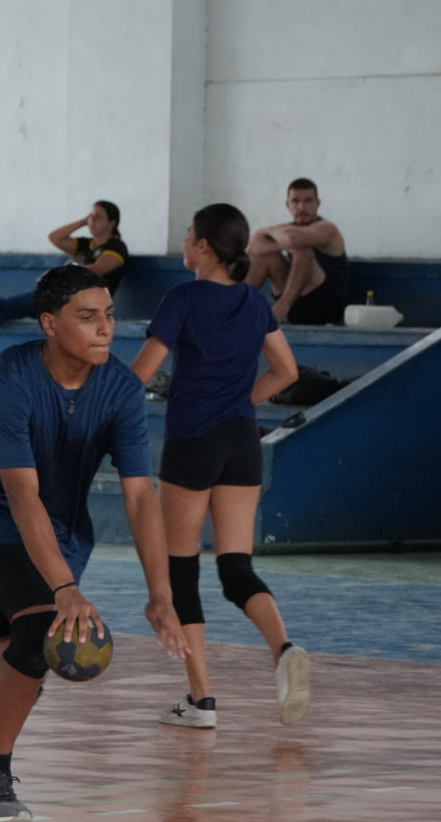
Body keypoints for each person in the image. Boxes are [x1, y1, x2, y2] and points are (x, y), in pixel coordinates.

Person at [0, 264, 186, 822]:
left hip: (63, 533)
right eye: (87, 317)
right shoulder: (11, 377)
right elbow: (21, 496)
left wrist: (161, 594)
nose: (104, 329)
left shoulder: (120, 389)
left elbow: (142, 498)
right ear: (49, 323)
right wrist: (66, 588)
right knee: (42, 634)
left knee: (22, 675)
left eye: (110, 317)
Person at [131, 204, 311, 729]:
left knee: (181, 572)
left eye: (189, 234)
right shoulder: (254, 304)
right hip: (241, 440)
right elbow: (287, 370)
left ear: (205, 246)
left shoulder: (181, 299)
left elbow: (142, 372)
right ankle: (284, 647)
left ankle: (202, 700)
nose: (185, 242)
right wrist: (243, 401)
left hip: (192, 441)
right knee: (236, 569)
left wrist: (90, 399)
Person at [0, 201, 128, 329]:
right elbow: (55, 237)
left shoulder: (116, 246)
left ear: (112, 223)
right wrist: (83, 222)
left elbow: (99, 269)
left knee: (42, 299)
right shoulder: (87, 244)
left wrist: (62, 273)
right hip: (70, 298)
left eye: (98, 217)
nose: (93, 220)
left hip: (91, 302)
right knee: (43, 306)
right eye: (91, 216)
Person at [245, 178, 349, 326]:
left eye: (308, 201)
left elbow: (293, 239)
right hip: (297, 305)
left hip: (326, 309)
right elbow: (253, 247)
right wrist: (279, 243)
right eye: (295, 201)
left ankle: (281, 310)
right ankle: (236, 307)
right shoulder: (285, 231)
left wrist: (270, 234)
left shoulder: (327, 228)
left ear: (317, 203)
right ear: (288, 205)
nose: (301, 207)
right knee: (267, 257)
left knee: (302, 251)